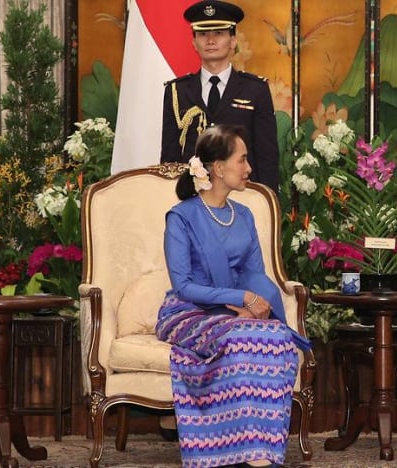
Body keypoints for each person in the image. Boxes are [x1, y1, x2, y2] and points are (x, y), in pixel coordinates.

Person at [156, 124, 310, 467]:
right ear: (218, 168)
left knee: (273, 337)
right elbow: (183, 286)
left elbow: (255, 275)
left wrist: (255, 307)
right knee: (242, 339)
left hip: (236, 311)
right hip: (189, 311)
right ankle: (225, 446)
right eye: (242, 160)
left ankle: (261, 449)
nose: (249, 168)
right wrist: (240, 300)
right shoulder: (182, 217)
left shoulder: (244, 215)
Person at [160, 0, 279, 193]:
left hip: (243, 196)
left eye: (219, 33)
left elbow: (267, 157)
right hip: (193, 199)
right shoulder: (177, 91)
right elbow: (170, 157)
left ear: (233, 41)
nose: (210, 40)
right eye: (203, 34)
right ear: (194, 43)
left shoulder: (255, 90)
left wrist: (267, 202)